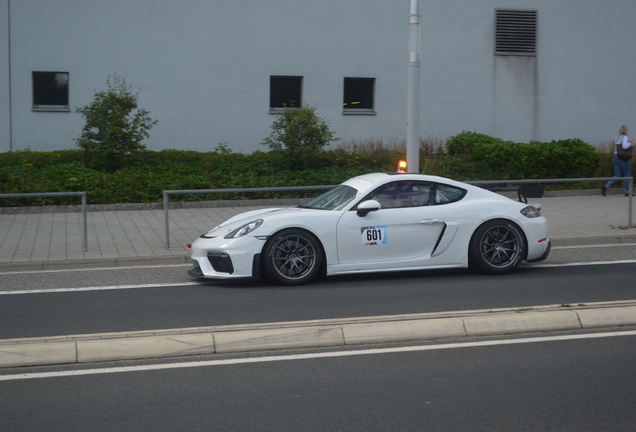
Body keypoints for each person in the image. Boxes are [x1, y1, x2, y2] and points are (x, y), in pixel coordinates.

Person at [602, 125, 634, 197]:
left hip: (616, 157)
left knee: (617, 175)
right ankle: (627, 192)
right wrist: (630, 142)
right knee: (627, 175)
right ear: (626, 131)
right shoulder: (625, 137)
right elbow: (624, 146)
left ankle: (606, 186)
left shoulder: (617, 138)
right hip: (623, 158)